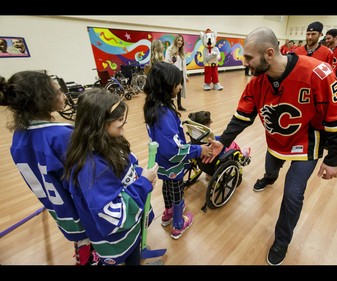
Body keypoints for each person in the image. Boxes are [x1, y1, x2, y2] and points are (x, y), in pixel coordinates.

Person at [203, 27, 337, 266]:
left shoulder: (317, 72)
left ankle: (282, 240)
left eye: (249, 57)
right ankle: (269, 178)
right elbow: (242, 115)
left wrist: (335, 159)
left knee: (293, 195)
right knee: (270, 169)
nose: (245, 62)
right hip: (276, 142)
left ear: (269, 53)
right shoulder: (256, 83)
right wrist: (223, 141)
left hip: (307, 144)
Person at [0, 71, 99, 266]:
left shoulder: (18, 138)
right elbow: (86, 180)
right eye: (57, 91)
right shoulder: (60, 136)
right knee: (95, 248)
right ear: (41, 99)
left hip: (59, 208)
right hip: (80, 208)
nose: (63, 94)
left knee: (82, 241)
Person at [63, 88, 158, 265]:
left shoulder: (109, 141)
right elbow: (113, 212)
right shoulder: (91, 168)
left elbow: (126, 169)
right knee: (130, 258)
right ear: (98, 126)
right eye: (119, 125)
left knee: (134, 254)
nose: (123, 131)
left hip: (131, 227)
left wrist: (141, 175)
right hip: (117, 235)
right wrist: (143, 183)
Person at [143, 61, 212, 240]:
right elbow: (174, 150)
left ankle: (168, 213)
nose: (180, 86)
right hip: (172, 162)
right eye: (178, 83)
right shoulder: (164, 115)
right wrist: (199, 149)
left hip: (161, 162)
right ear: (166, 86)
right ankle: (178, 224)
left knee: (167, 186)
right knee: (177, 189)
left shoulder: (151, 106)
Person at [165, 34, 189, 111]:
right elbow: (166, 61)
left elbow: (184, 65)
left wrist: (185, 75)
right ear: (175, 41)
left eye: (181, 41)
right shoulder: (169, 50)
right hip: (173, 73)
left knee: (179, 89)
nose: (180, 42)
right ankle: (171, 104)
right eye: (179, 40)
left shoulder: (182, 52)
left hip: (180, 72)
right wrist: (170, 63)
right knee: (172, 89)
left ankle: (179, 105)